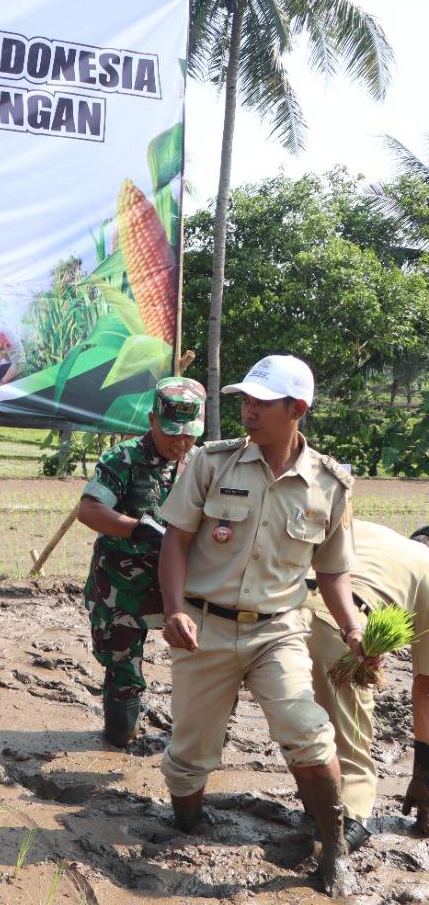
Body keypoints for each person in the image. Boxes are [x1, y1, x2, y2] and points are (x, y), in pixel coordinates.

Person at [158, 355, 365, 896]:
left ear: (296, 409)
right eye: (244, 401)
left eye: (260, 403)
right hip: (206, 628)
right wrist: (175, 608)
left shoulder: (330, 485)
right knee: (189, 756)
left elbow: (334, 572)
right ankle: (187, 824)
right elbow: (174, 541)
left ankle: (333, 848)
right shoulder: (210, 464)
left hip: (279, 632)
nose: (247, 412)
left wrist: (353, 630)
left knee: (310, 734)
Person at [76, 378, 204, 747]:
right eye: (171, 433)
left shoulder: (202, 463)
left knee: (204, 666)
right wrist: (136, 529)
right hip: (122, 588)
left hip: (181, 587)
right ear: (152, 420)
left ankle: (194, 747)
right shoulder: (124, 458)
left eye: (188, 434)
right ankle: (120, 740)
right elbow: (89, 508)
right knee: (123, 670)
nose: (180, 442)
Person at [304, 521, 429, 851]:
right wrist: (425, 771)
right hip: (340, 628)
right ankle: (346, 820)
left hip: (277, 614)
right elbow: (426, 686)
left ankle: (312, 801)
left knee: (297, 721)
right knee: (352, 745)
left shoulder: (370, 530)